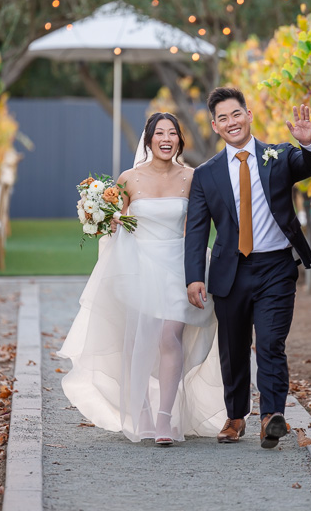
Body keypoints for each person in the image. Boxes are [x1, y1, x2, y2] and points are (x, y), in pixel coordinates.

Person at [59, 112, 226, 446]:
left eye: (172, 133)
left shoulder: (192, 177)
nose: (166, 139)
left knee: (169, 335)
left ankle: (165, 417)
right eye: (159, 133)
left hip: (178, 264)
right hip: (138, 265)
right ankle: (143, 413)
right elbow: (113, 221)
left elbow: (197, 225)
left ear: (179, 140)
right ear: (149, 140)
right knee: (139, 341)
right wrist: (108, 219)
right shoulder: (129, 179)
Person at [185, 87, 311, 449]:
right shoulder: (206, 174)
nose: (231, 122)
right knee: (233, 348)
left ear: (248, 115)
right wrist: (194, 277)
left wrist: (307, 143)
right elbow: (197, 230)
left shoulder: (278, 156)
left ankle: (271, 417)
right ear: (215, 126)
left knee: (270, 343)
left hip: (275, 268)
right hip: (230, 272)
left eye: (236, 114)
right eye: (222, 118)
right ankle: (235, 417)